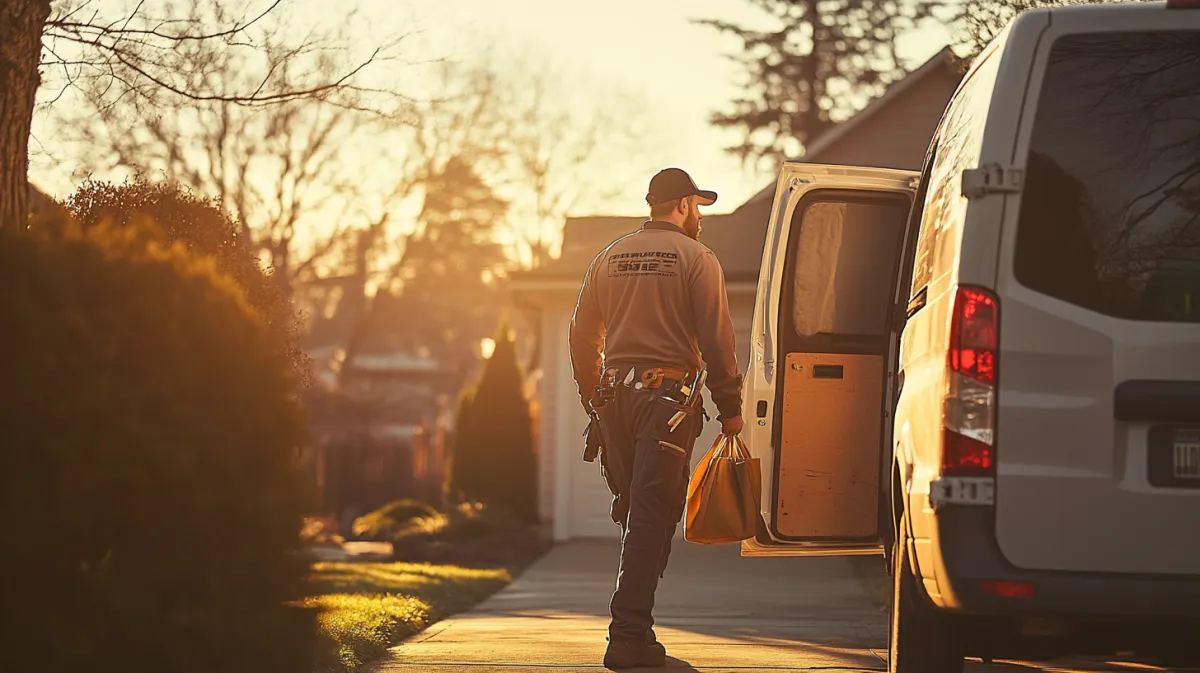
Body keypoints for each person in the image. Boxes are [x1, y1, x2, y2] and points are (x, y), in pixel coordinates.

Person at [568, 167, 744, 669]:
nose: (699, 216)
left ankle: (635, 632)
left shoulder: (609, 256)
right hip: (666, 403)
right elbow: (717, 340)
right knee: (651, 515)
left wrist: (593, 400)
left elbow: (583, 337)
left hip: (616, 399)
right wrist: (730, 407)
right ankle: (626, 636)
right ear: (685, 205)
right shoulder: (696, 258)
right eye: (698, 206)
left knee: (638, 512)